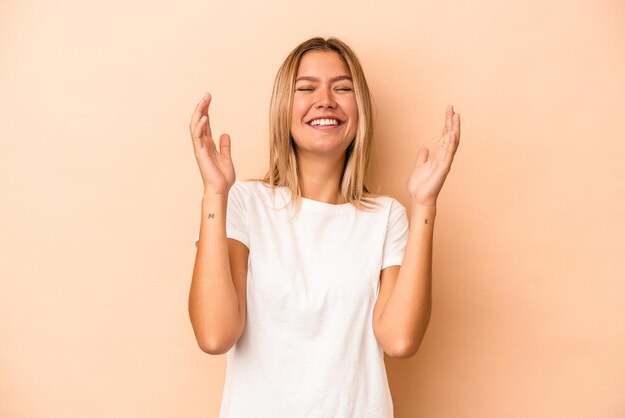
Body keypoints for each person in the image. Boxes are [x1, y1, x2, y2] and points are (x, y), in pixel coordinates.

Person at [188, 36, 460, 418]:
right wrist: (214, 193)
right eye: (307, 88)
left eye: (343, 88)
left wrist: (426, 204)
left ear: (359, 109)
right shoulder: (244, 203)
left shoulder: (386, 217)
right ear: (284, 107)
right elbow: (215, 335)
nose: (326, 100)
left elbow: (399, 340)